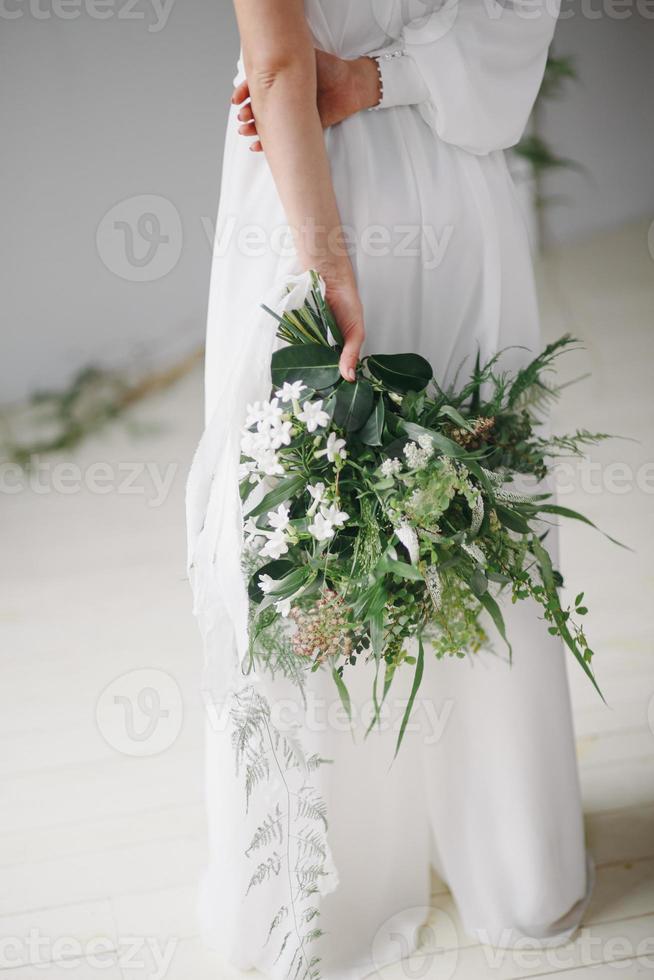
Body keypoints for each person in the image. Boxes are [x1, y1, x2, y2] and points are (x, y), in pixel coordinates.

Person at [186, 2, 593, 977]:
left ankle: (317, 891)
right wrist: (390, 80)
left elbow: (281, 71)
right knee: (474, 495)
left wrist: (329, 270)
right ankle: (517, 860)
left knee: (305, 516)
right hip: (457, 182)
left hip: (315, 194)